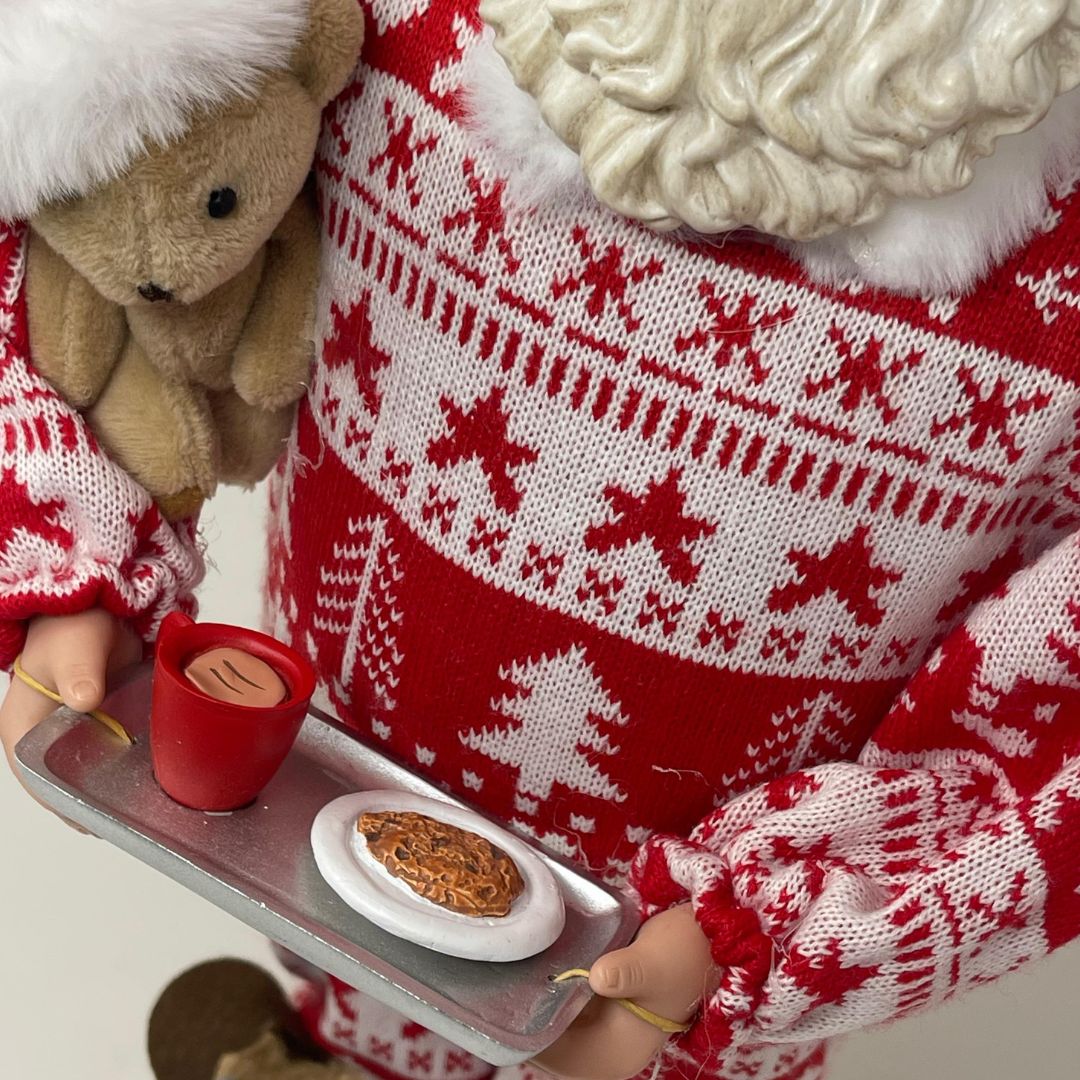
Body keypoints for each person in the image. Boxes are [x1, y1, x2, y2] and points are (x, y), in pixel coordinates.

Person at [5, 2, 1080, 1078]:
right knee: (345, 979)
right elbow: (95, 146)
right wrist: (72, 534)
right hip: (309, 814)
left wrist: (770, 929)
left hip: (672, 997)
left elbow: (1055, 730)